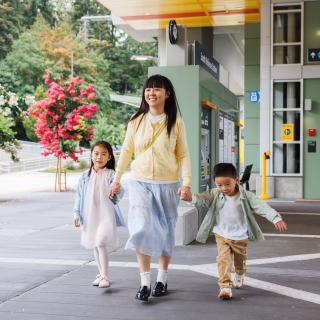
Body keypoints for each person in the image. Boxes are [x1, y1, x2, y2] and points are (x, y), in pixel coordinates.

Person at [110, 74, 192, 302]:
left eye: (157, 89)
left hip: (168, 184)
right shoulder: (136, 120)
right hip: (139, 181)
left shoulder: (176, 122)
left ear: (167, 94)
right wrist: (116, 180)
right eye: (148, 89)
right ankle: (145, 282)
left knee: (166, 230)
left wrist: (186, 183)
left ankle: (162, 279)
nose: (151, 93)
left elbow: (183, 154)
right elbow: (126, 150)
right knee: (141, 228)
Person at [187, 163, 287, 300]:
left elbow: (261, 206)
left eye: (227, 184)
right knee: (223, 260)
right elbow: (202, 199)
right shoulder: (214, 194)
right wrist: (190, 198)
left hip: (240, 235)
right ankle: (225, 287)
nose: (223, 188)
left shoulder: (246, 196)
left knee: (240, 260)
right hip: (221, 233)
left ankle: (239, 273)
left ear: (237, 180)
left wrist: (275, 218)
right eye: (219, 185)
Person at [74, 141, 124, 289]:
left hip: (106, 215)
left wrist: (116, 190)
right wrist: (76, 213)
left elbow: (118, 196)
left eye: (103, 154)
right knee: (95, 245)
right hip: (90, 215)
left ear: (109, 157)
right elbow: (78, 196)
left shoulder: (111, 175)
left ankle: (105, 276)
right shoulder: (85, 176)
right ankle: (100, 273)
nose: (99, 157)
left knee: (100, 242)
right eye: (96, 154)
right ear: (91, 155)